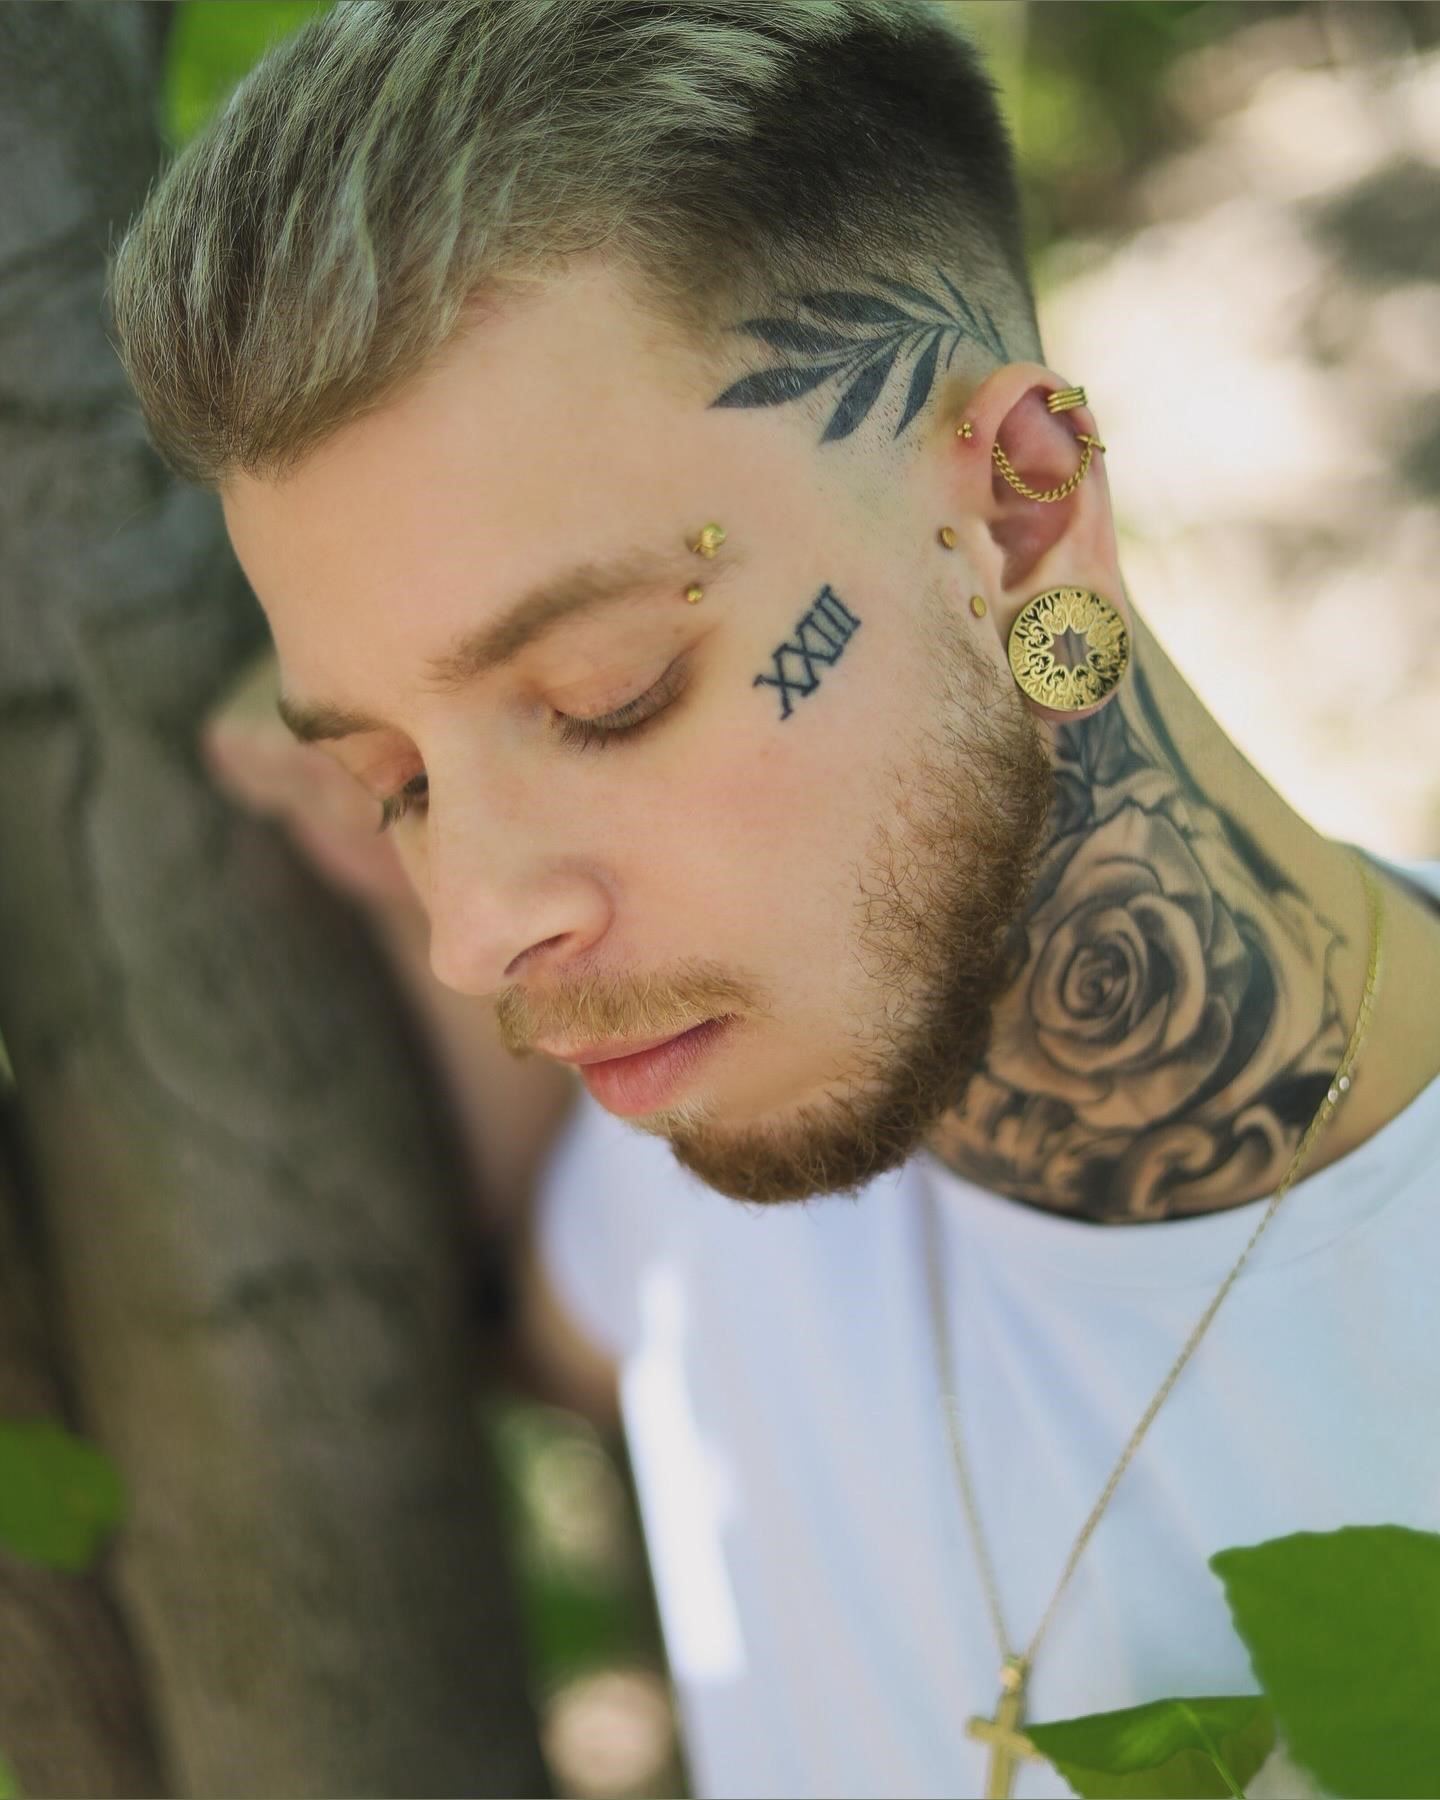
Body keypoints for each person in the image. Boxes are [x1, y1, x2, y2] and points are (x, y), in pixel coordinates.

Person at [107, 3, 1440, 1794]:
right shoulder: (725, 1162)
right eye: (399, 778)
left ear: (1023, 519)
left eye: (610, 694)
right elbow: (516, 1318)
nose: (473, 930)